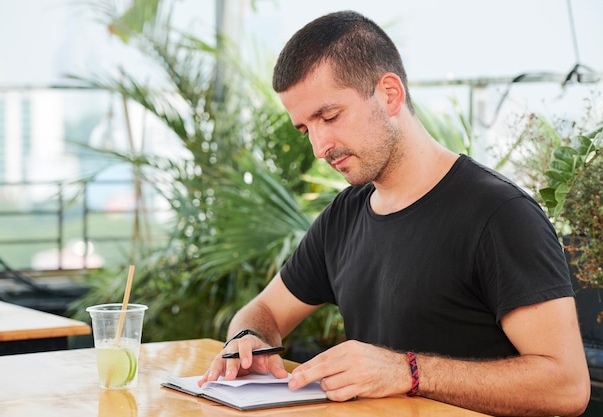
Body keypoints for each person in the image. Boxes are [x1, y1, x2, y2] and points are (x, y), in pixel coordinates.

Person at [199, 10, 590, 417]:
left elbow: (568, 387)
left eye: (329, 117)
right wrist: (248, 339)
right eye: (305, 129)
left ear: (389, 94)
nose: (319, 146)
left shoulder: (500, 215)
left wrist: (409, 372)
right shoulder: (344, 216)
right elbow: (261, 312)